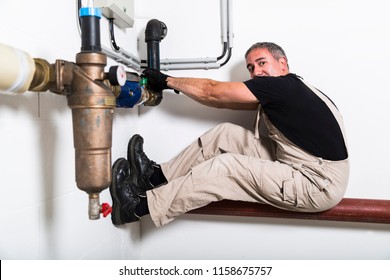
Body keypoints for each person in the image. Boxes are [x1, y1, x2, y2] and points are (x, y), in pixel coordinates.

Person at [109, 42, 349, 227]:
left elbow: (214, 92)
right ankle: (155, 177)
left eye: (262, 63)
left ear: (283, 64)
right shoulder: (289, 90)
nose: (256, 71)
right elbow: (222, 100)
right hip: (301, 165)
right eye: (251, 67)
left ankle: (137, 207)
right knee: (226, 134)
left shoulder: (283, 87)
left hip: (316, 183)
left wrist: (167, 81)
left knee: (226, 167)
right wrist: (173, 85)